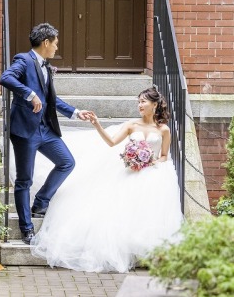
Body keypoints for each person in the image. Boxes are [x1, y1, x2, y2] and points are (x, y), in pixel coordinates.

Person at [28, 87, 184, 272]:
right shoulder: (131, 125)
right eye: (138, 102)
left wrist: (149, 162)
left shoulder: (164, 129)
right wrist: (97, 125)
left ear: (155, 104)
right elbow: (111, 142)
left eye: (143, 101)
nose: (139, 105)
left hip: (151, 171)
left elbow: (164, 155)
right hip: (131, 170)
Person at [0, 23, 89, 245]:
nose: (57, 48)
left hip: (45, 130)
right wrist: (29, 94)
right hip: (25, 131)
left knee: (66, 162)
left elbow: (50, 100)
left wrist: (76, 112)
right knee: (24, 179)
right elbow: (6, 78)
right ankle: (26, 228)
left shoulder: (46, 66)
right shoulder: (23, 60)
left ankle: (40, 202)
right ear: (46, 42)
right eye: (55, 43)